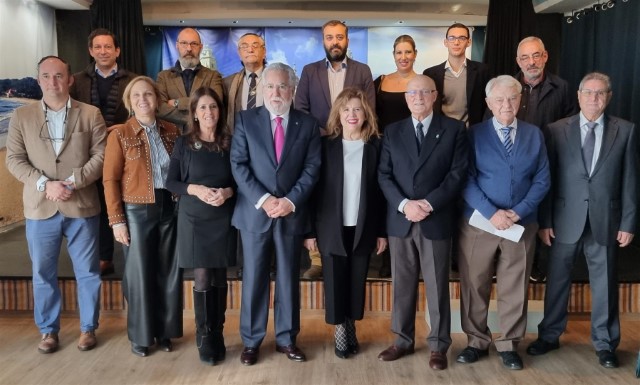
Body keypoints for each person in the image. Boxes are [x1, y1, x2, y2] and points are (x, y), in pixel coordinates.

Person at [527, 72, 638, 369]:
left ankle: (605, 344)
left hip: (607, 221)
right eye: (588, 92)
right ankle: (549, 336)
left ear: (609, 97)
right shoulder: (555, 130)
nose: (594, 98)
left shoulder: (625, 131)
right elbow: (546, 179)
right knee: (558, 282)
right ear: (577, 96)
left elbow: (630, 180)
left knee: (604, 284)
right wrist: (546, 220)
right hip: (564, 219)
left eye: (600, 93)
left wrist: (628, 222)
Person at [5, 55, 105, 354]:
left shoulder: (91, 114)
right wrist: (45, 184)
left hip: (82, 205)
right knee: (42, 274)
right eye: (46, 76)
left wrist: (72, 183)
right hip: (40, 207)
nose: (53, 82)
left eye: (59, 76)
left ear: (70, 79)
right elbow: (14, 159)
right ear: (39, 81)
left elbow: (100, 157)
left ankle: (89, 328)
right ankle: (48, 332)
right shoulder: (21, 117)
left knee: (88, 272)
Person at [456, 75, 550, 371]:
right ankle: (475, 341)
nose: (506, 104)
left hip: (521, 226)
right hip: (479, 225)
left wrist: (518, 212)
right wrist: (491, 212)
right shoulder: (473, 134)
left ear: (520, 100)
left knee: (515, 286)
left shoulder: (535, 135)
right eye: (499, 99)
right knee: (474, 283)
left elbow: (542, 178)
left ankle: (509, 344)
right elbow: (465, 179)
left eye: (512, 98)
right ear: (488, 103)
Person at [231, 62, 321, 366]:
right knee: (254, 278)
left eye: (283, 86)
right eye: (270, 86)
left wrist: (290, 201)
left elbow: (312, 168)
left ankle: (286, 338)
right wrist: (265, 199)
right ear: (262, 90)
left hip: (291, 214)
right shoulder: (245, 120)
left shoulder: (307, 124)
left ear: (293, 90)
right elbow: (239, 165)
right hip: (255, 214)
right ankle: (252, 341)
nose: (276, 92)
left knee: (287, 280)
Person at [377, 75, 469, 370]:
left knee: (437, 285)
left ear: (434, 96)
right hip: (401, 219)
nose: (418, 97)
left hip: (435, 218)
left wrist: (427, 204)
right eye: (412, 92)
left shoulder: (454, 130)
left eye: (424, 92)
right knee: (402, 285)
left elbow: (457, 175)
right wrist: (405, 205)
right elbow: (384, 175)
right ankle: (402, 340)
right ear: (406, 98)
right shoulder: (392, 132)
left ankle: (439, 346)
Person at [303, 87, 387, 359]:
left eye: (357, 109)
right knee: (335, 281)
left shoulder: (376, 146)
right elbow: (313, 191)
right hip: (330, 228)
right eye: (346, 109)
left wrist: (382, 232)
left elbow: (382, 193)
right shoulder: (325, 146)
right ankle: (341, 332)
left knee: (355, 281)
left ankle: (351, 327)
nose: (352, 114)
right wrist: (309, 231)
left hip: (364, 226)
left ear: (366, 114)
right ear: (337, 114)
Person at [103, 76, 182, 357]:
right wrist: (117, 220)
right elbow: (110, 180)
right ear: (129, 101)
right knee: (139, 275)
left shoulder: (173, 131)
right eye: (136, 95)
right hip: (137, 210)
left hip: (169, 207)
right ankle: (140, 335)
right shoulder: (120, 134)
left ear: (157, 99)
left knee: (168, 272)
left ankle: (164, 331)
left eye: (148, 94)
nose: (143, 100)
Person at [295, 19, 375, 280]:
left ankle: (353, 253)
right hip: (320, 144)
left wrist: (351, 132)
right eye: (329, 37)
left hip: (354, 142)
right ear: (323, 41)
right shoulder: (309, 71)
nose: (335, 42)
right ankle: (318, 259)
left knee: (351, 195)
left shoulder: (362, 71)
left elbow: (368, 108)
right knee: (324, 197)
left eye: (339, 37)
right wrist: (325, 137)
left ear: (347, 40)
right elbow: (302, 110)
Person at [166, 86, 236, 365]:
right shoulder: (184, 143)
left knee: (221, 277)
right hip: (194, 218)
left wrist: (228, 192)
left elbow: (241, 180)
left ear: (221, 111)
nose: (209, 112)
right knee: (204, 276)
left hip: (224, 216)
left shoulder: (231, 141)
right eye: (203, 107)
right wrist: (194, 189)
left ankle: (217, 332)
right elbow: (171, 182)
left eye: (214, 107)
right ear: (194, 113)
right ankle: (204, 335)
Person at [70, 28, 137, 276]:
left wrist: (126, 127)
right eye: (97, 47)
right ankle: (104, 255)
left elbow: (142, 112)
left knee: (123, 197)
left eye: (108, 47)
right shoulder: (77, 80)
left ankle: (132, 253)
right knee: (96, 202)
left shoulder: (133, 79)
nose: (103, 51)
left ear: (117, 50)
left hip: (124, 147)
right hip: (89, 150)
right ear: (90, 51)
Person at [513, 36, 578, 283]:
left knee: (541, 216)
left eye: (536, 55)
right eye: (525, 57)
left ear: (545, 56)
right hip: (514, 163)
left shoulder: (562, 88)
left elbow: (571, 128)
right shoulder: (507, 86)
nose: (531, 62)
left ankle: (536, 265)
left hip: (548, 163)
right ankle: (507, 262)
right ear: (518, 61)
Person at [222, 32, 271, 280]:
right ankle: (248, 262)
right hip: (239, 152)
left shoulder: (276, 79)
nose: (250, 49)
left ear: (264, 50)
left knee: (270, 200)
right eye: (244, 46)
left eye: (255, 45)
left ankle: (269, 262)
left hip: (271, 153)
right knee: (246, 204)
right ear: (239, 53)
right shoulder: (229, 82)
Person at [373, 34, 417, 278]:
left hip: (413, 149)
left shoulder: (423, 82)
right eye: (399, 52)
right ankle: (385, 257)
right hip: (384, 148)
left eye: (408, 52)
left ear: (415, 54)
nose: (403, 57)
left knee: (407, 197)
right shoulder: (379, 82)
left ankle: (408, 257)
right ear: (393, 55)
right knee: (385, 200)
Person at [423, 22, 489, 127]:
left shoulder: (482, 71)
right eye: (452, 38)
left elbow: (488, 105)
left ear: (469, 42)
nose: (456, 42)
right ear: (446, 42)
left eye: (462, 38)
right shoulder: (430, 74)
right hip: (442, 134)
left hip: (473, 133)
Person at [157, 27, 223, 128]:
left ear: (200, 47)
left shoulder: (213, 76)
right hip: (172, 140)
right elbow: (160, 109)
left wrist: (177, 102)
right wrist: (200, 116)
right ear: (177, 46)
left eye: (194, 44)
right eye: (184, 43)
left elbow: (215, 105)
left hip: (204, 138)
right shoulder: (163, 77)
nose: (189, 49)